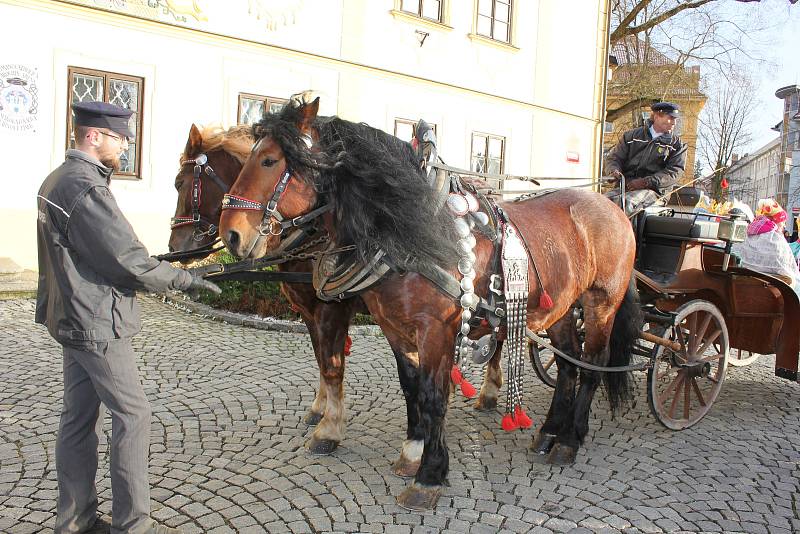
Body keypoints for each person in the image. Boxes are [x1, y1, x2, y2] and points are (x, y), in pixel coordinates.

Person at [36, 101, 221, 534]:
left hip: (71, 317)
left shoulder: (56, 180)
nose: (125, 145)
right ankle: (133, 526)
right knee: (133, 416)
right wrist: (183, 281)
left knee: (77, 420)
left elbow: (99, 252)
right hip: (97, 322)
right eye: (120, 138)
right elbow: (128, 261)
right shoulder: (85, 188)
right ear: (93, 136)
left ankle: (76, 520)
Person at [605, 101, 688, 215]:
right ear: (657, 116)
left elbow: (675, 171)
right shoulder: (631, 136)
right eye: (671, 118)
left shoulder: (677, 145)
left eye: (675, 119)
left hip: (654, 193)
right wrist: (613, 171)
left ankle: (630, 233)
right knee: (600, 202)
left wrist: (646, 182)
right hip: (625, 187)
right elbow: (614, 158)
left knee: (627, 203)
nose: (674, 122)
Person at [731, 199, 800, 293]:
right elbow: (786, 270)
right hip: (772, 289)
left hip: (744, 282)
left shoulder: (747, 232)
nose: (784, 225)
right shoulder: (775, 238)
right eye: (783, 221)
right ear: (775, 221)